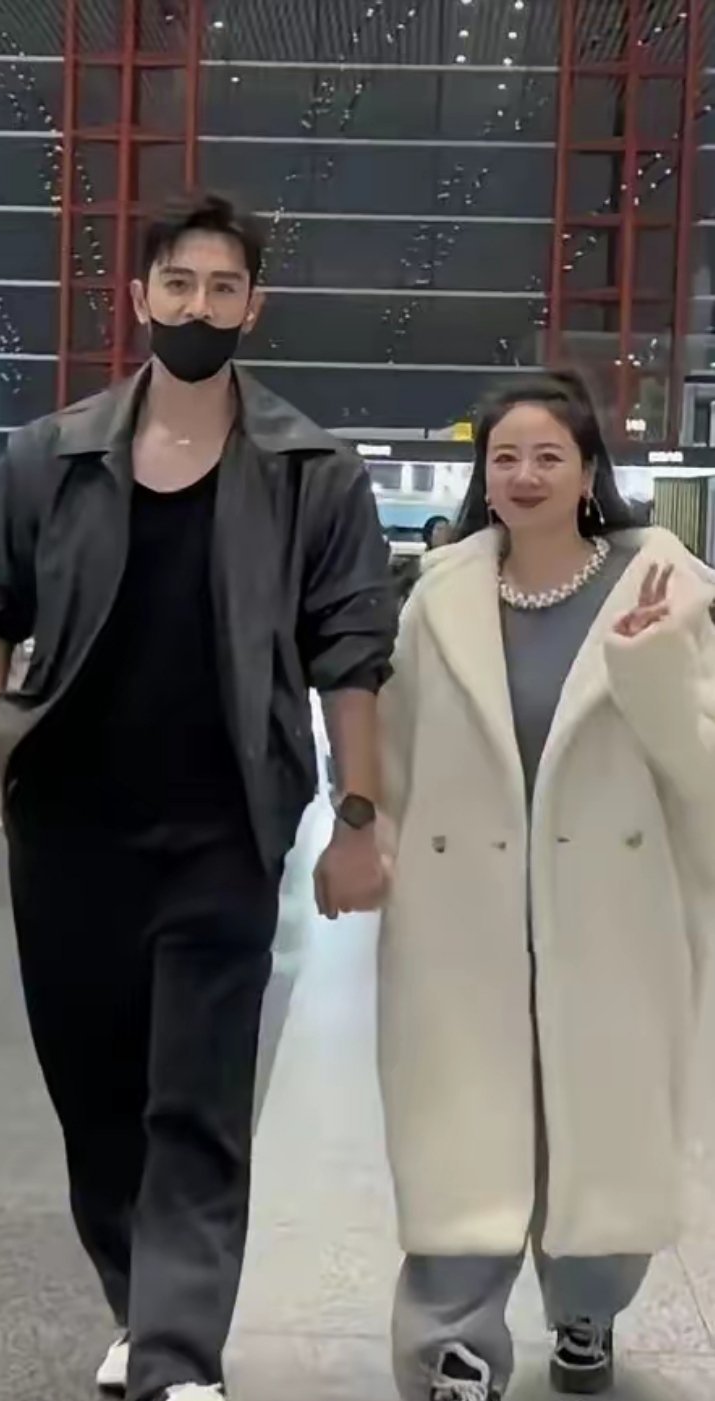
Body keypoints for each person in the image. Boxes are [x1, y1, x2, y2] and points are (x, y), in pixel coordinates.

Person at [0, 191, 397, 1401]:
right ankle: (140, 1306)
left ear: (254, 306)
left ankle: (179, 1353)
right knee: (95, 1096)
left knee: (194, 1097)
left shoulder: (309, 470)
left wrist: (356, 819)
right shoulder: (50, 456)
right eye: (179, 284)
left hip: (222, 829)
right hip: (69, 827)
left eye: (222, 287)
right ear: (139, 296)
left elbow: (352, 656)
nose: (199, 306)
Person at [378, 370, 715, 1401]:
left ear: (586, 472)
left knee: (597, 1122)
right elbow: (396, 753)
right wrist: (372, 848)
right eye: (503, 457)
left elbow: (701, 771)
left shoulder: (664, 588)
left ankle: (585, 1313)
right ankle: (452, 1346)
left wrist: (649, 668)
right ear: (482, 475)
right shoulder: (438, 597)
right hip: (460, 906)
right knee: (460, 1124)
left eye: (547, 456)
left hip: (610, 905)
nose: (523, 476)